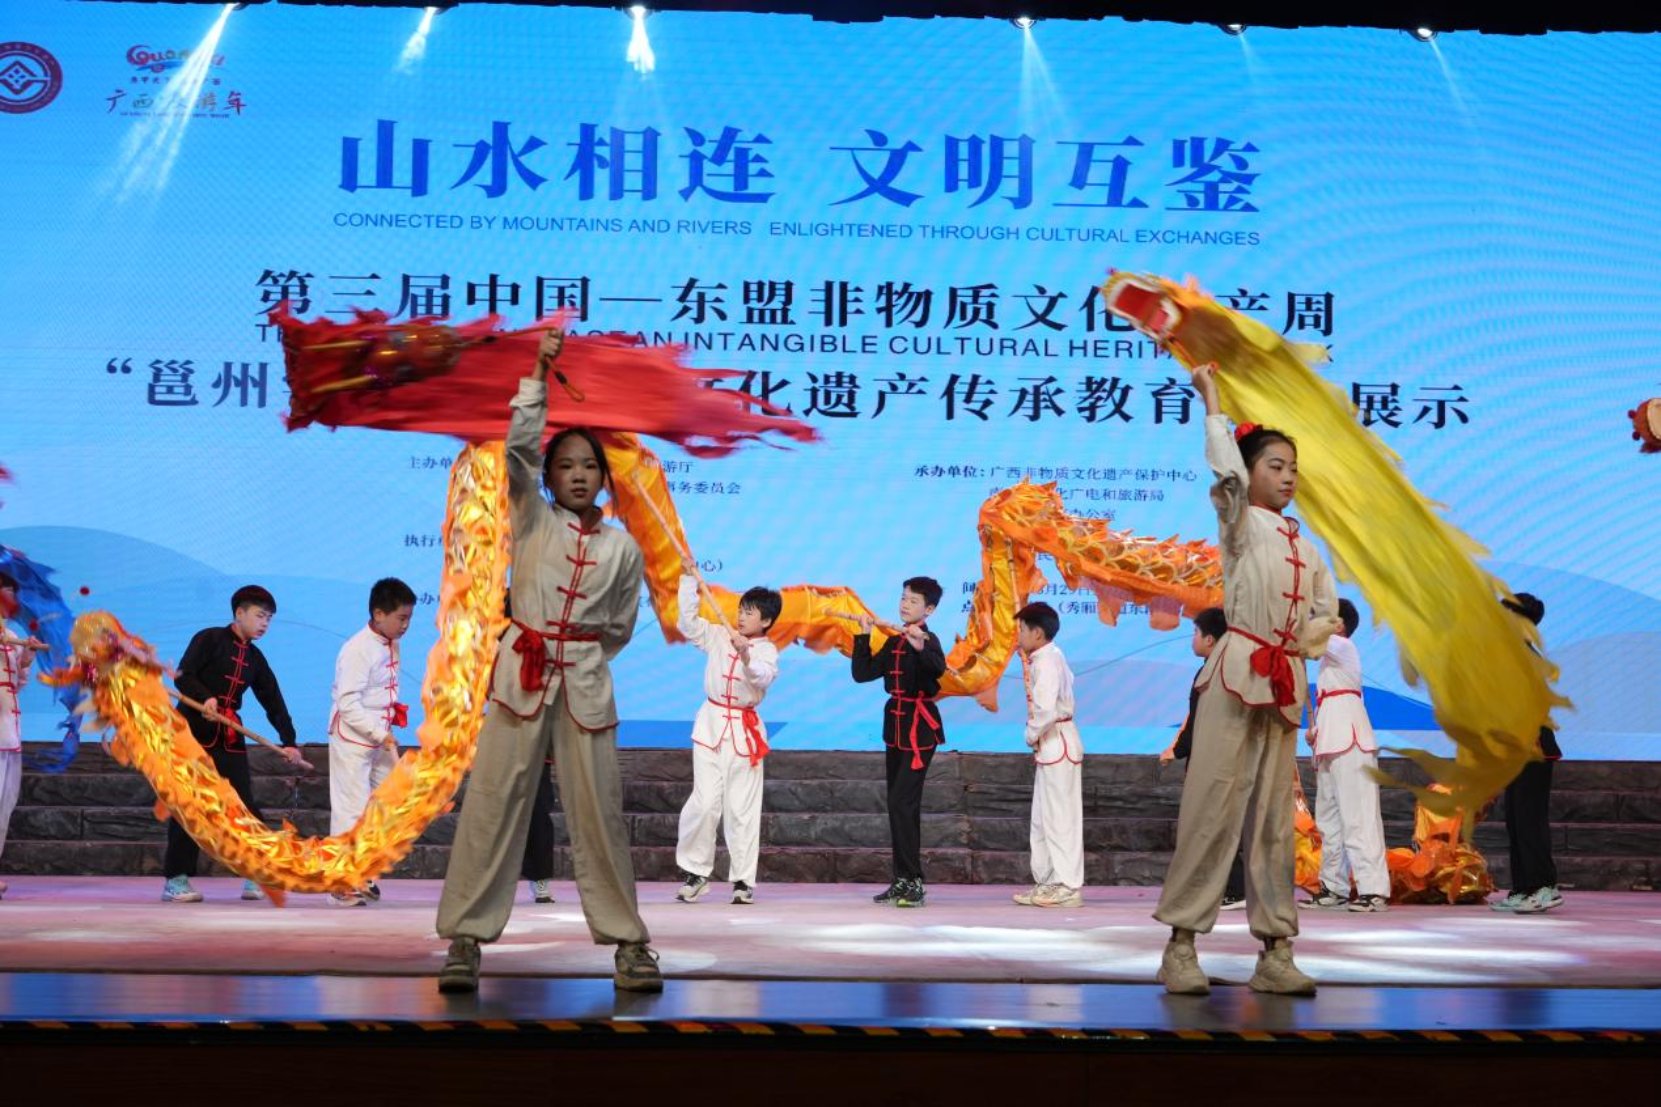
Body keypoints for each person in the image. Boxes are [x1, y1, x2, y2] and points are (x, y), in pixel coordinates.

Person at [436, 328, 660, 994]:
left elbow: (618, 626)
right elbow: (517, 450)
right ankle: (465, 938)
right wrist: (537, 371)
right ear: (548, 475)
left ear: (604, 477)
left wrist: (577, 655)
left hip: (585, 685)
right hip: (519, 679)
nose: (578, 474)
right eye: (565, 465)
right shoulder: (530, 516)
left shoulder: (623, 548)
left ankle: (628, 944)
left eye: (588, 465)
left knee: (601, 814)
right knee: (491, 803)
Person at [1154, 362, 1339, 997]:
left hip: (1283, 684)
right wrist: (1212, 400)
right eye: (1275, 466)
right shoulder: (1239, 522)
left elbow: (1326, 612)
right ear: (1250, 471)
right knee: (1212, 807)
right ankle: (1181, 945)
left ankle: (1277, 951)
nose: (1287, 477)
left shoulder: (1306, 547)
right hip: (1237, 674)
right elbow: (1225, 473)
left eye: (1293, 469)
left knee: (1274, 822)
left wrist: (1309, 638)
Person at [163, 585, 307, 903]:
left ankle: (256, 873)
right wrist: (206, 698)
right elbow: (183, 676)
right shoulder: (209, 638)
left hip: (228, 737)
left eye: (269, 619)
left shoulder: (255, 657)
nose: (264, 623)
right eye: (260, 616)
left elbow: (273, 699)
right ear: (239, 613)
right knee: (189, 804)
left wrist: (289, 741)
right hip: (191, 734)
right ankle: (176, 879)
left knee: (244, 806)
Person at [672, 563, 781, 906]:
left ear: (766, 621)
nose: (741, 617)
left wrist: (745, 654)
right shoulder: (719, 635)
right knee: (704, 803)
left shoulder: (767, 651)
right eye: (741, 610)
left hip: (744, 734)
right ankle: (696, 873)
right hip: (710, 726)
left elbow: (762, 676)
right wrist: (688, 580)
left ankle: (743, 880)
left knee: (741, 810)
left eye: (749, 613)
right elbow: (687, 624)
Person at [851, 577, 946, 908]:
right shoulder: (894, 641)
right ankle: (902, 879)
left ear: (929, 610)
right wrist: (864, 634)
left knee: (902, 803)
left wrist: (920, 647)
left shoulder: (928, 639)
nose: (905, 604)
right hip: (896, 726)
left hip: (920, 731)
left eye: (913, 601)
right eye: (904, 598)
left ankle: (913, 881)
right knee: (898, 804)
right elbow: (863, 674)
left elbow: (937, 670)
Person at [326, 577, 416, 906]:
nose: (405, 625)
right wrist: (379, 732)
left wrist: (388, 721)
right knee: (350, 810)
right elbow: (348, 703)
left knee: (386, 804)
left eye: (409, 619)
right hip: (353, 737)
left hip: (379, 737)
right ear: (379, 614)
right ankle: (340, 885)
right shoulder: (357, 649)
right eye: (401, 618)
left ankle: (363, 872)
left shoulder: (391, 643)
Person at [1303, 598, 1390, 913]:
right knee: (1329, 822)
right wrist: (1317, 730)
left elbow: (1304, 639)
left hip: (1351, 742)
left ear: (1339, 625)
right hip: (1330, 742)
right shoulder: (1329, 659)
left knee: (1359, 817)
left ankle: (1373, 890)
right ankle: (1334, 887)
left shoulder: (1342, 646)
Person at [1160, 606, 1246, 910]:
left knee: (1215, 822)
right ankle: (1222, 887)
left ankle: (1234, 889)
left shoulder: (1212, 672)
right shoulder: (1222, 668)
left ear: (1210, 639)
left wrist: (1178, 750)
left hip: (1214, 758)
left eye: (1195, 633)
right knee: (1213, 822)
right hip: (1219, 756)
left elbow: (1201, 719)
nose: (1193, 638)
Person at [1490, 593, 1564, 914]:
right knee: (1516, 821)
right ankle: (1523, 888)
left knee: (1530, 821)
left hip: (1533, 749)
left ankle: (1545, 886)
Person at [1011, 601, 1085, 908]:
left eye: (1021, 630)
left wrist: (1030, 733)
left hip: (1056, 740)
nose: (1018, 636)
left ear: (1037, 633)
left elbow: (1044, 709)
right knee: (1043, 819)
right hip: (1052, 743)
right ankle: (1048, 881)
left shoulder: (1046, 661)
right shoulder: (1049, 656)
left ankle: (1067, 884)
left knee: (1060, 819)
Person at [0, 572, 47, 902]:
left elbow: (18, 681)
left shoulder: (12, 634)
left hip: (8, 730)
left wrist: (27, 655)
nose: (10, 601)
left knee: (4, 804)